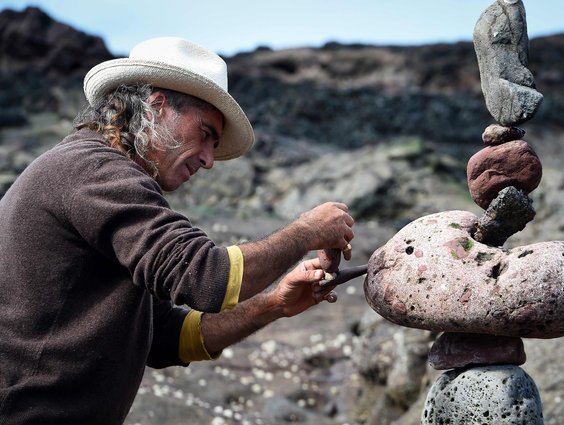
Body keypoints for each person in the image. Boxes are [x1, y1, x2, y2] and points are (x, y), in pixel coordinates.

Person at [0, 37, 354, 424]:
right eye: (205, 134)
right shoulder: (93, 170)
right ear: (156, 106)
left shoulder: (97, 175)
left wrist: (274, 305)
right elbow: (204, 277)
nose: (208, 160)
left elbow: (167, 337)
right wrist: (307, 230)